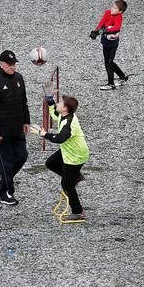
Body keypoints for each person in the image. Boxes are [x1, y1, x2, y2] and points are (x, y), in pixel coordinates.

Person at [30, 86, 89, 221]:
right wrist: (49, 99)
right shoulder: (64, 115)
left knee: (66, 185)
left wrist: (43, 134)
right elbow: (54, 115)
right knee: (51, 163)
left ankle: (78, 212)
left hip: (75, 156)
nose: (58, 104)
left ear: (66, 108)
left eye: (60, 103)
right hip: (69, 151)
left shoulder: (69, 123)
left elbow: (60, 138)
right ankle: (76, 177)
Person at [0, 50, 30, 206]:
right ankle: (6, 193)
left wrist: (26, 121)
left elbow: (24, 102)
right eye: (9, 64)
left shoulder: (19, 78)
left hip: (17, 128)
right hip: (2, 132)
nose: (12, 67)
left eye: (14, 64)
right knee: (5, 163)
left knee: (22, 156)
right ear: (1, 64)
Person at [90, 0, 128, 91]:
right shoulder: (107, 12)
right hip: (105, 41)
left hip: (113, 43)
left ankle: (111, 83)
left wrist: (106, 30)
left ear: (120, 11)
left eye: (115, 8)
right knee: (108, 61)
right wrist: (96, 31)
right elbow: (101, 23)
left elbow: (116, 27)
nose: (112, 9)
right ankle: (122, 76)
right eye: (112, 6)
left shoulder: (119, 17)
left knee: (109, 62)